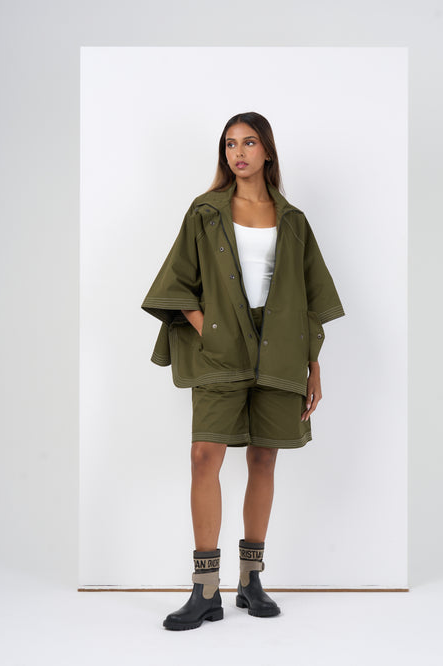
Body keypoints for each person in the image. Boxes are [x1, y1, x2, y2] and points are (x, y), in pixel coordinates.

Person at [141, 111, 345, 630]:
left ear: (267, 150)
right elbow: (177, 280)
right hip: (222, 346)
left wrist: (313, 363)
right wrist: (207, 328)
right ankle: (205, 589)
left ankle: (251, 582)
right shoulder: (205, 211)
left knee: (263, 458)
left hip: (281, 346)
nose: (239, 152)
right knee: (203, 455)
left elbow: (310, 298)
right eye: (230, 144)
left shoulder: (292, 220)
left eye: (249, 142)